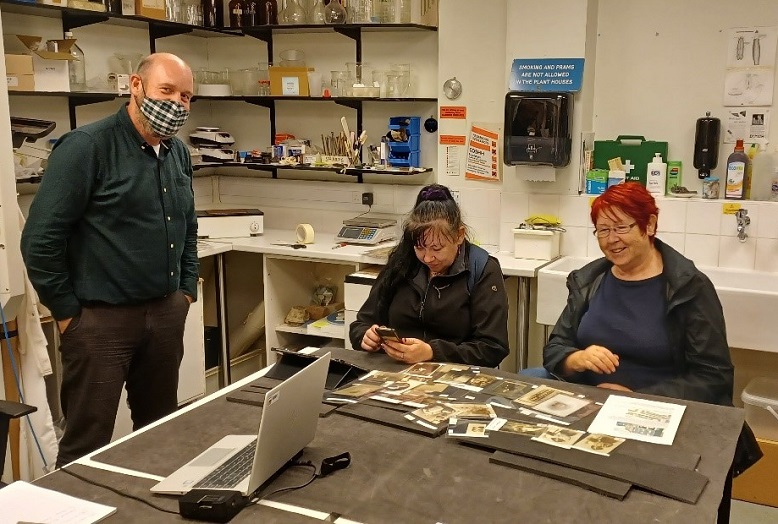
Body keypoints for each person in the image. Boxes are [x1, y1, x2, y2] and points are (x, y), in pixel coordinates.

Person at [21, 53, 198, 468]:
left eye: (186, 96)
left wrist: (186, 290)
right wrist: (68, 315)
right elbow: (40, 240)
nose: (177, 105)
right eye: (167, 91)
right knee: (87, 443)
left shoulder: (177, 153)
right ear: (136, 86)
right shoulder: (86, 148)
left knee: (160, 432)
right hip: (99, 322)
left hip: (165, 314)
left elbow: (188, 227)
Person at [542, 182, 734, 405]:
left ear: (650, 225)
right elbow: (555, 348)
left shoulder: (689, 287)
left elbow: (713, 376)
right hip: (589, 401)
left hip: (659, 409)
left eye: (621, 227)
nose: (612, 239)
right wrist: (577, 359)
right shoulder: (589, 280)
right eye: (603, 230)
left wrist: (637, 398)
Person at [349, 184, 509, 367]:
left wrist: (433, 353)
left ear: (459, 236)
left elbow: (492, 347)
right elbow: (362, 322)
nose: (427, 257)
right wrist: (364, 336)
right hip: (395, 372)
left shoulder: (482, 269)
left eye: (437, 248)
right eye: (419, 247)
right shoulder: (402, 263)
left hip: (453, 376)